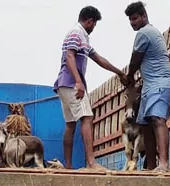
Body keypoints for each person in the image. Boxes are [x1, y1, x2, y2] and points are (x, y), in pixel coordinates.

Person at [54, 6, 128, 170]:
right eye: (94, 24)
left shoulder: (84, 38)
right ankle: (92, 163)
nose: (94, 28)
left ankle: (68, 166)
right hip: (71, 83)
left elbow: (99, 59)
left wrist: (119, 72)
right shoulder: (77, 33)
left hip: (63, 84)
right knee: (87, 118)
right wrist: (78, 82)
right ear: (90, 21)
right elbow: (69, 56)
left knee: (70, 124)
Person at [124, 2, 170, 172]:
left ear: (144, 16)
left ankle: (163, 164)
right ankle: (152, 165)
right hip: (150, 85)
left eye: (135, 18)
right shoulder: (150, 32)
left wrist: (129, 76)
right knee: (145, 125)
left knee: (158, 120)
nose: (132, 23)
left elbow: (135, 59)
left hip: (161, 83)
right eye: (130, 20)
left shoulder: (145, 33)